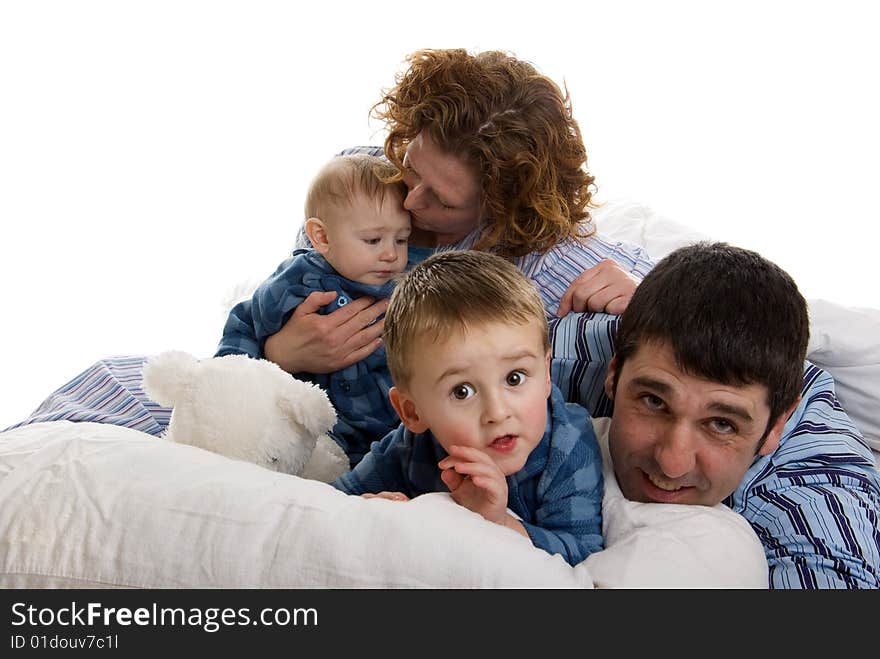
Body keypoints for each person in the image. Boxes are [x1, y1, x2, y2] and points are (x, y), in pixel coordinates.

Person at [264, 48, 654, 377]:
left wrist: (649, 301)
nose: (411, 201)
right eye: (413, 168)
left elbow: (704, 308)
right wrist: (280, 353)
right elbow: (284, 291)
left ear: (501, 210)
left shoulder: (545, 269)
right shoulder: (360, 177)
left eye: (444, 201)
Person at [556, 242, 880, 588]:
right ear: (614, 372)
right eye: (653, 402)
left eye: (722, 425)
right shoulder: (556, 361)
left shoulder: (815, 501)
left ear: (776, 427)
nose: (672, 463)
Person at [332, 250, 605, 567]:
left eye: (514, 378)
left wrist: (498, 523)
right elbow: (332, 503)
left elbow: (584, 554)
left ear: (546, 375)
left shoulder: (568, 444)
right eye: (462, 391)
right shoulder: (409, 447)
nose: (497, 412)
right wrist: (369, 509)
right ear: (413, 412)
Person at [216, 154, 411, 466]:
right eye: (373, 240)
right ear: (321, 237)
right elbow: (245, 321)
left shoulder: (405, 291)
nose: (390, 253)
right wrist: (233, 381)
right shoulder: (300, 281)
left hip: (383, 433)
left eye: (402, 239)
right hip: (309, 428)